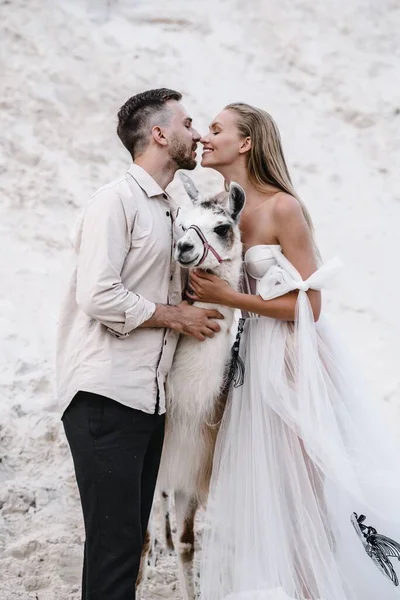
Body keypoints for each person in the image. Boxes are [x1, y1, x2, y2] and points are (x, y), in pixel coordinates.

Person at [186, 103, 400, 600]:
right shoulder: (222, 205)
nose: (206, 137)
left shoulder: (283, 208)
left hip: (290, 356)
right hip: (249, 356)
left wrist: (230, 298)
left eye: (216, 130)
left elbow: (311, 303)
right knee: (268, 495)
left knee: (303, 488)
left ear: (245, 144)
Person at [56, 88, 224, 600]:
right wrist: (178, 316)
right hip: (105, 396)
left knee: (127, 545)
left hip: (148, 402)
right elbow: (99, 294)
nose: (197, 133)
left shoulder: (172, 207)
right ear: (159, 134)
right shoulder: (115, 201)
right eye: (189, 123)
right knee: (113, 551)